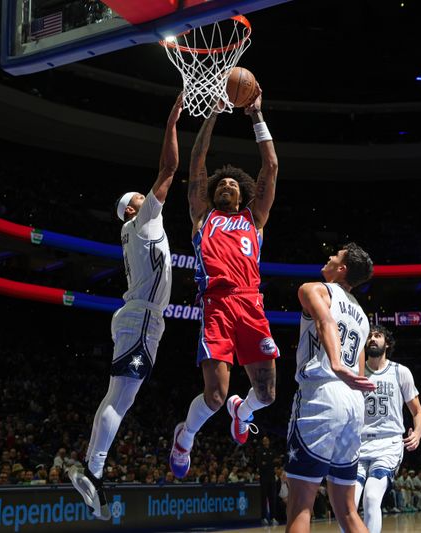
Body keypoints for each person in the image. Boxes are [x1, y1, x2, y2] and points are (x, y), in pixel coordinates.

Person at [70, 95, 183, 519]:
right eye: (141, 195)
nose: (147, 195)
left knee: (121, 397)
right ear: (132, 208)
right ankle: (93, 471)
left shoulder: (135, 231)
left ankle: (93, 469)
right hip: (140, 319)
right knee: (120, 397)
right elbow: (169, 170)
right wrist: (171, 121)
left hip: (140, 319)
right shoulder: (143, 221)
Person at [170, 87, 280, 477]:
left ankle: (242, 409)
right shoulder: (202, 216)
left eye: (234, 184)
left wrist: (256, 116)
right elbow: (197, 162)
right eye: (222, 184)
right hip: (217, 306)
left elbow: (270, 168)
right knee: (214, 396)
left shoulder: (255, 219)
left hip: (251, 306)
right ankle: (185, 437)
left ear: (243, 191)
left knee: (266, 395)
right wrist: (213, 113)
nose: (227, 185)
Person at [283, 244, 376, 533]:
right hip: (352, 403)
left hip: (323, 392)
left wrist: (335, 362)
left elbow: (326, 322)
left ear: (343, 268)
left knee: (300, 504)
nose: (329, 257)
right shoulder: (362, 316)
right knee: (347, 511)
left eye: (335, 255)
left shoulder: (316, 289)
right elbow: (359, 373)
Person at [352, 324, 421, 532]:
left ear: (387, 343)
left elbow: (418, 412)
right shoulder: (354, 372)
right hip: (357, 443)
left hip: (388, 442)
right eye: (369, 337)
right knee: (347, 502)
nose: (372, 339)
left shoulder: (400, 372)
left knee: (372, 496)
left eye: (378, 336)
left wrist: (417, 433)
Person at [257, 436, 278, 526]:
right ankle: (264, 518)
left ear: (269, 441)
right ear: (262, 442)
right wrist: (270, 462)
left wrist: (267, 462)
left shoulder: (272, 451)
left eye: (267, 440)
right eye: (264, 440)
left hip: (271, 478)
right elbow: (260, 464)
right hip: (264, 478)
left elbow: (276, 462)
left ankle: (273, 518)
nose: (266, 441)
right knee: (264, 498)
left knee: (272, 497)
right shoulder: (260, 451)